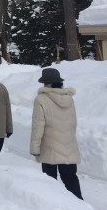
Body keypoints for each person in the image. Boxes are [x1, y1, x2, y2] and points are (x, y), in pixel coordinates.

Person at [30, 67, 83, 200]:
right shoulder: (69, 99)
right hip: (68, 146)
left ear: (45, 83)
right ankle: (80, 206)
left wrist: (35, 148)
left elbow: (38, 126)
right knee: (71, 179)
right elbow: (73, 123)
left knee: (50, 182)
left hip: (50, 148)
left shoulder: (41, 99)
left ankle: (54, 208)